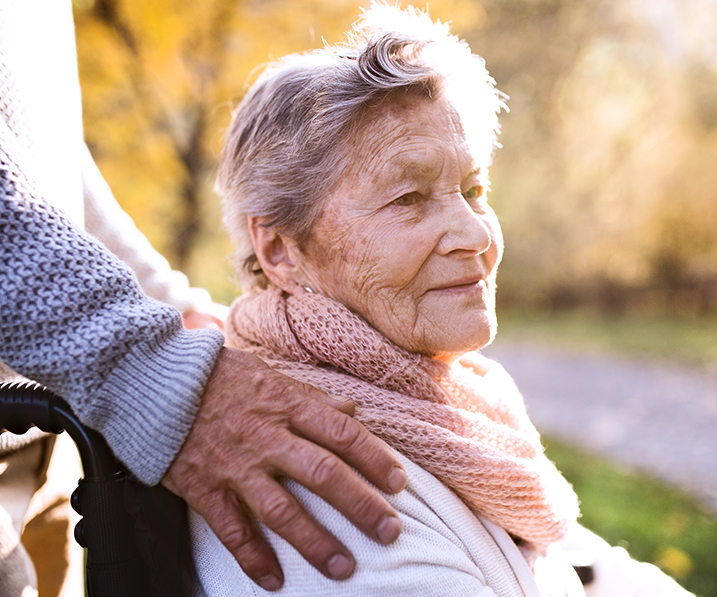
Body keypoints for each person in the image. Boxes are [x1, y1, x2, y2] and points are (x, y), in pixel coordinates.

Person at [190, 4, 695, 596]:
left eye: (473, 189)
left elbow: (585, 569)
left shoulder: (437, 410)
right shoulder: (325, 487)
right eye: (408, 198)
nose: (477, 235)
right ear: (279, 249)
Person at [0, 0, 406, 594]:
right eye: (406, 199)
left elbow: (35, 143)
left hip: (52, 445)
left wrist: (159, 297)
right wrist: (137, 362)